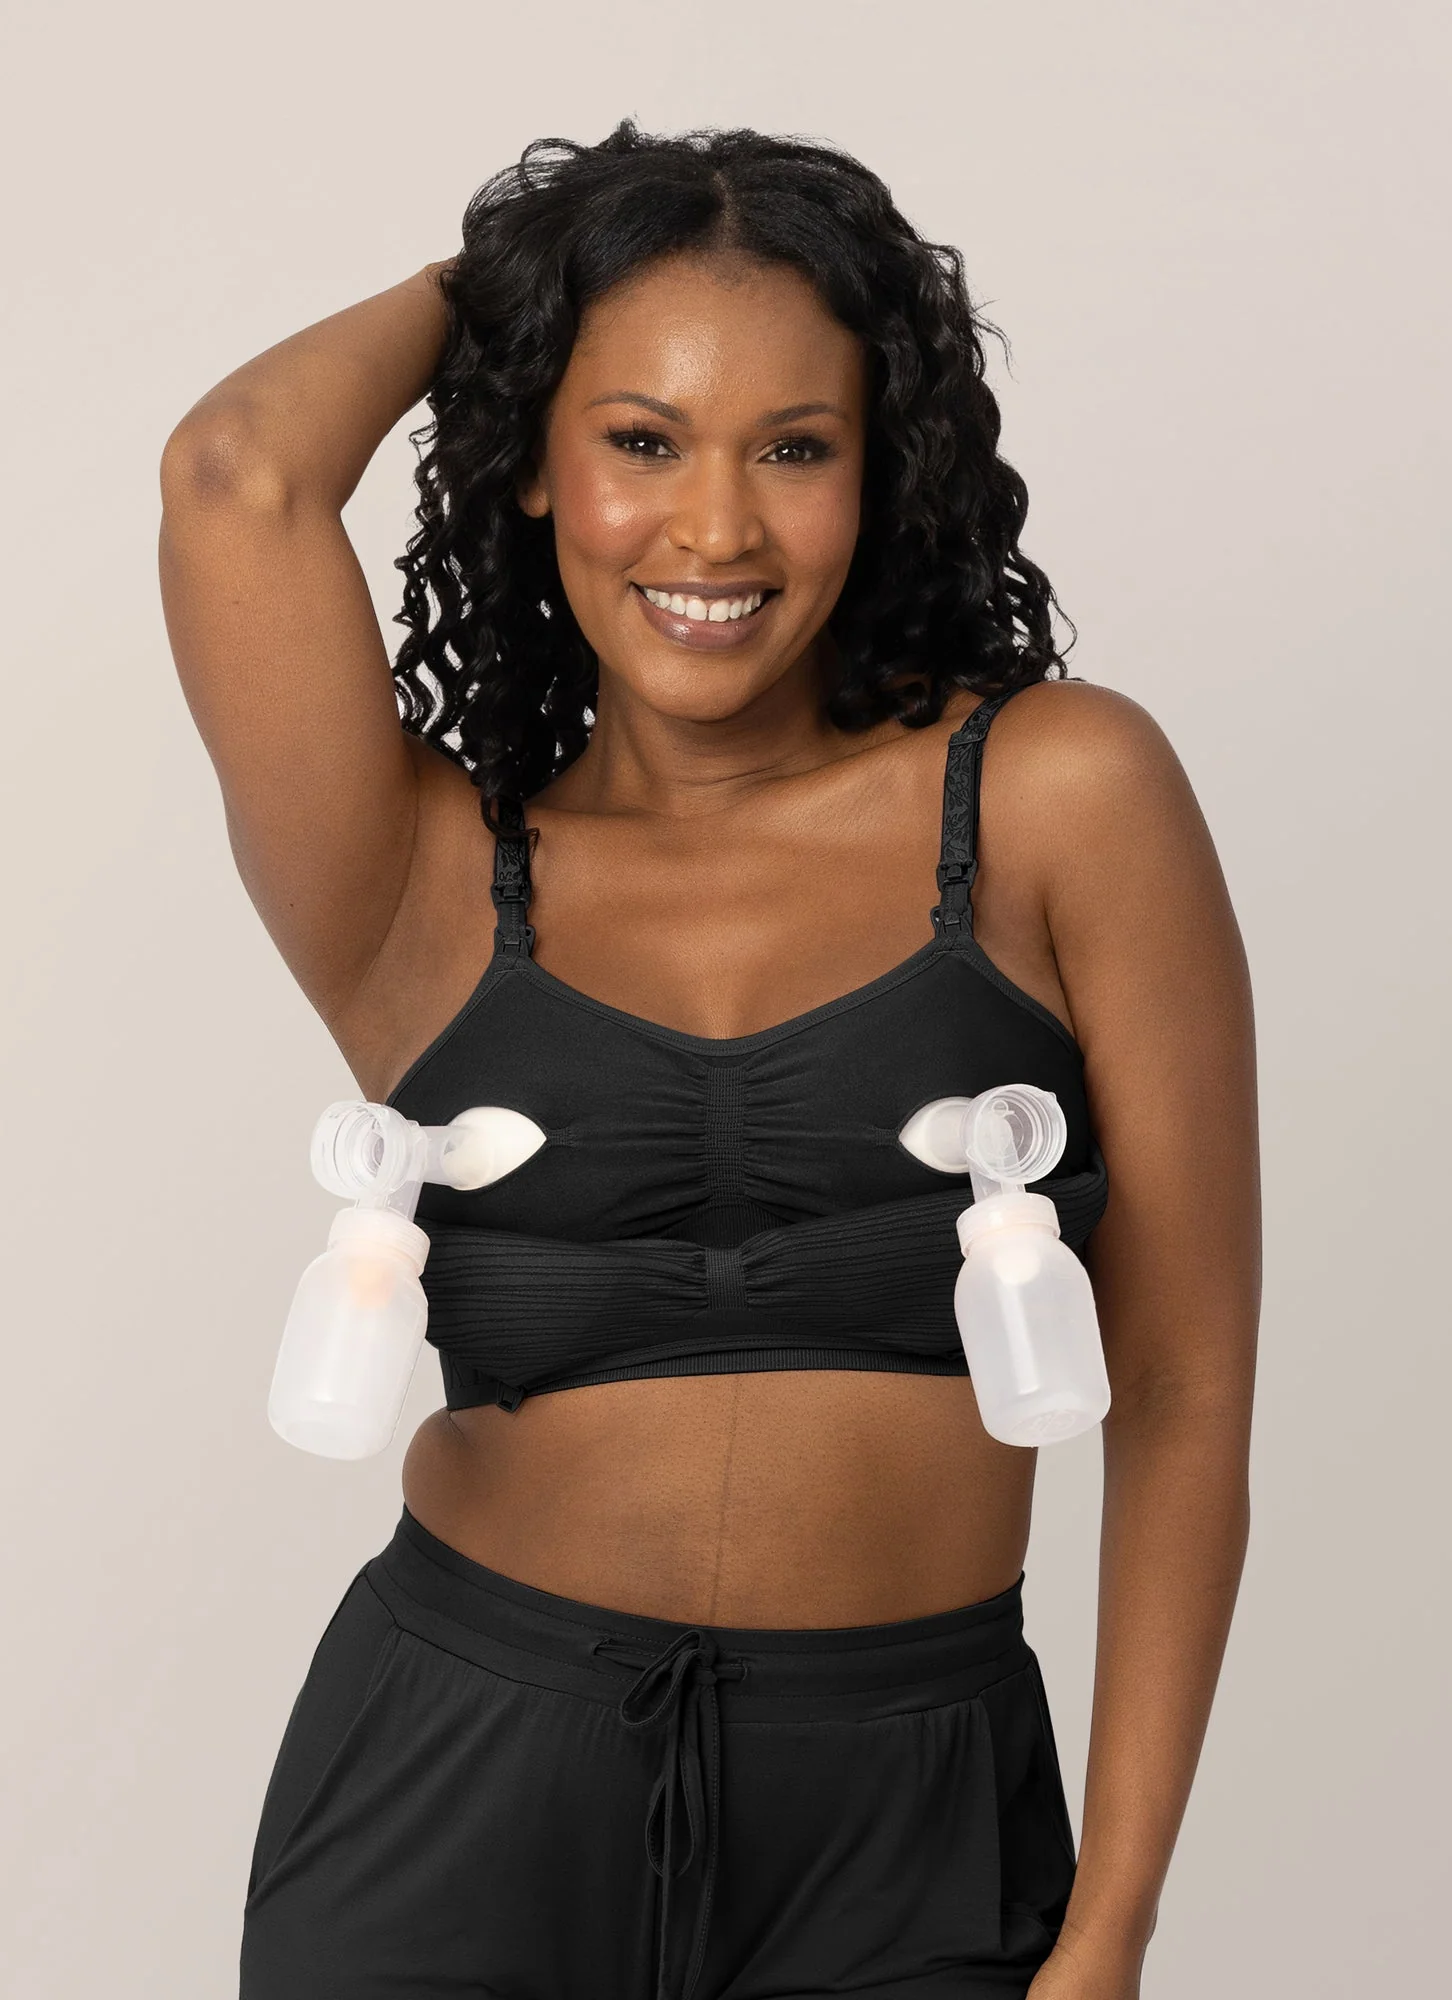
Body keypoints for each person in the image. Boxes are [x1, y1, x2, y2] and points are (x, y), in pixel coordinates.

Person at [158, 121, 1259, 2000]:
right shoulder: (423, 881)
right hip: (456, 1787)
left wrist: (1114, 1924)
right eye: (642, 439)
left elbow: (1178, 1377)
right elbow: (234, 476)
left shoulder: (1058, 798)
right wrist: (537, 276)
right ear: (535, 458)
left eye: (796, 448)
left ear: (879, 473)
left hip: (904, 1823)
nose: (717, 530)